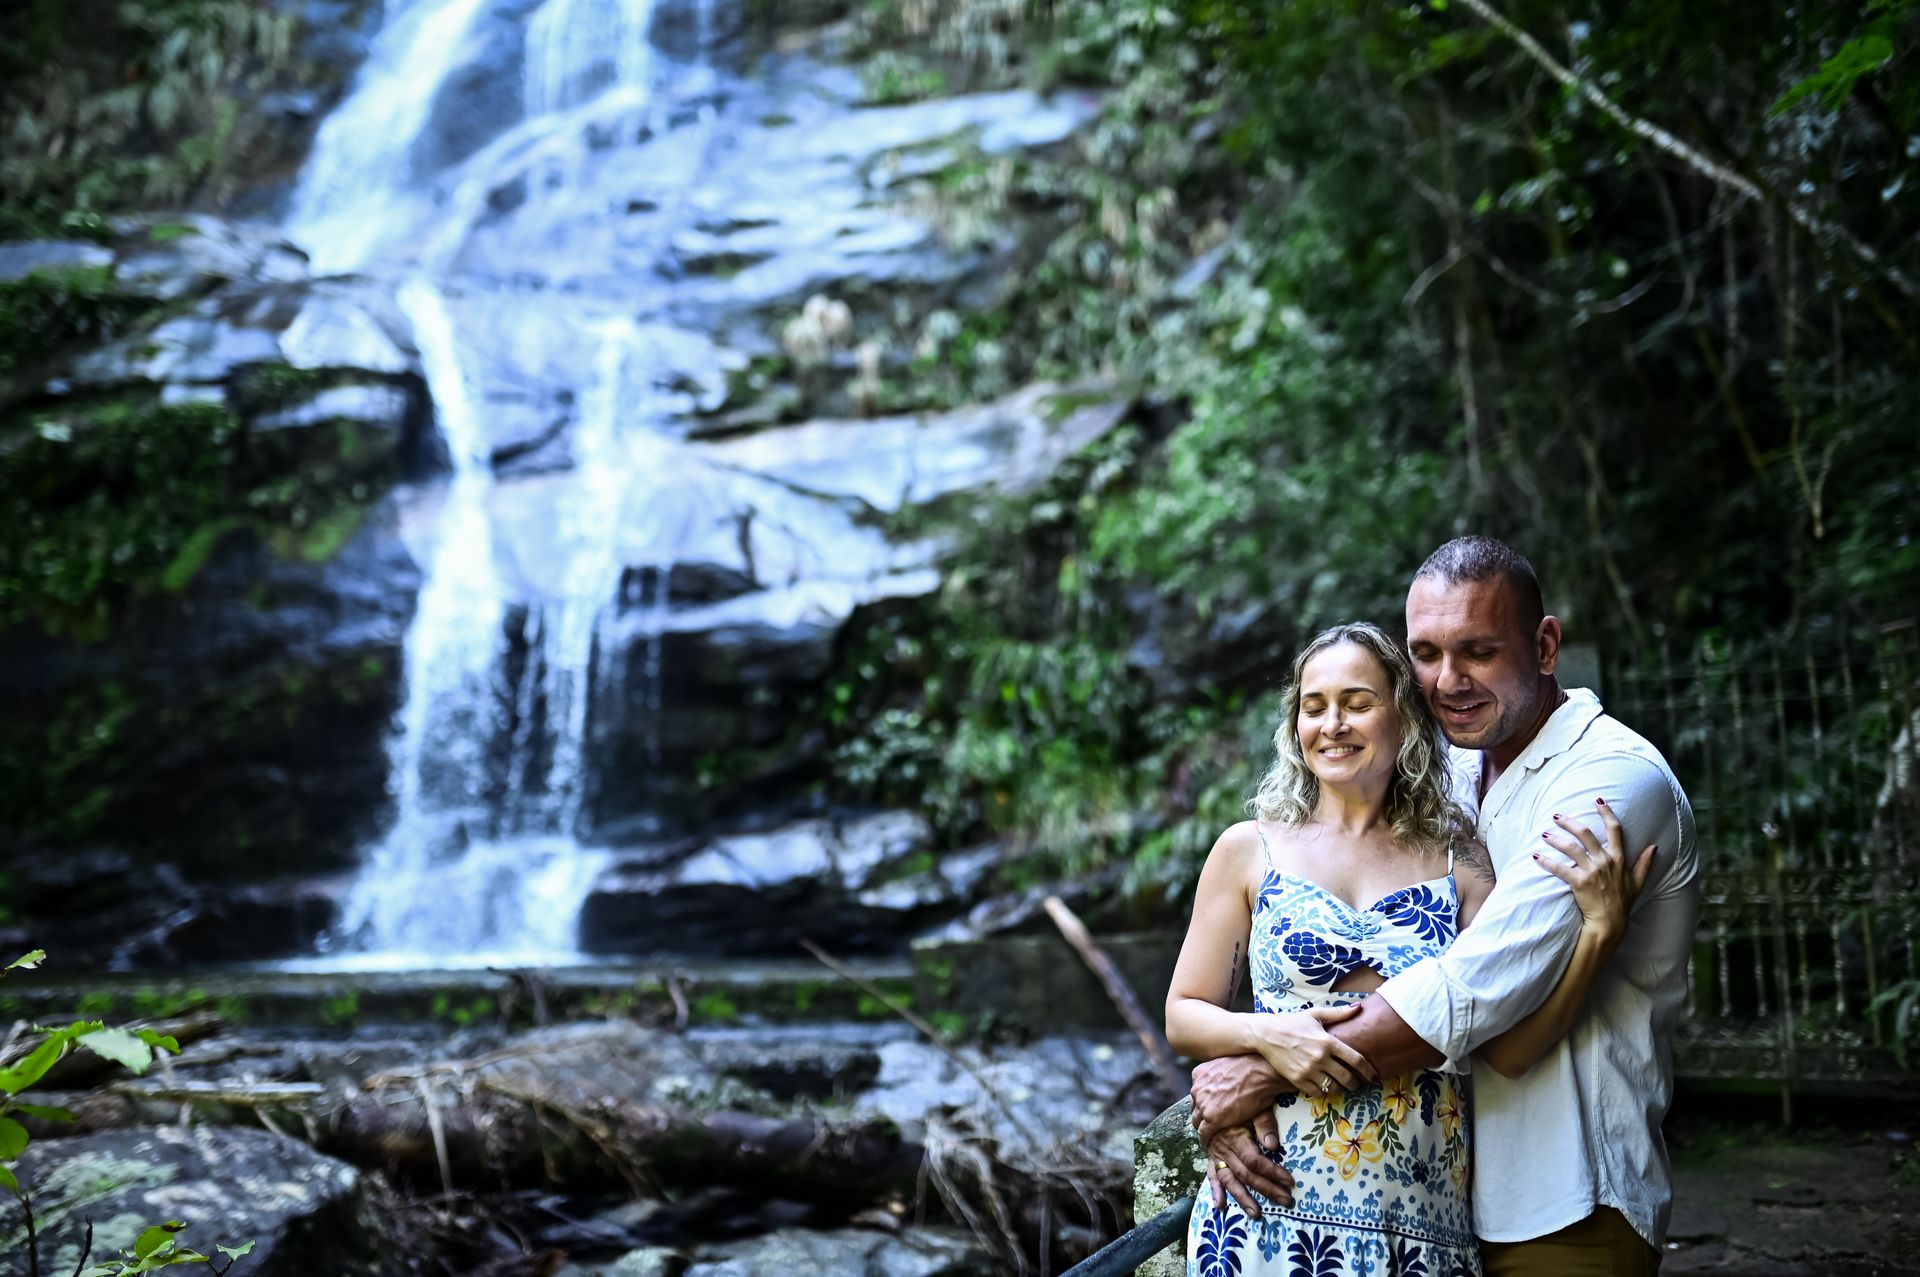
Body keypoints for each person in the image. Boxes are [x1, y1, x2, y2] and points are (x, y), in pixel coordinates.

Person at [1191, 538, 1699, 1276]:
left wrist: (1260, 1072)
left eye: (1479, 651)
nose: (1448, 680)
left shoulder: (1608, 782)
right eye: (1425, 653)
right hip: (1436, 1197)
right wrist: (1237, 1065)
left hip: (1564, 1199)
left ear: (1545, 644)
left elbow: (1471, 990)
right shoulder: (1448, 775)